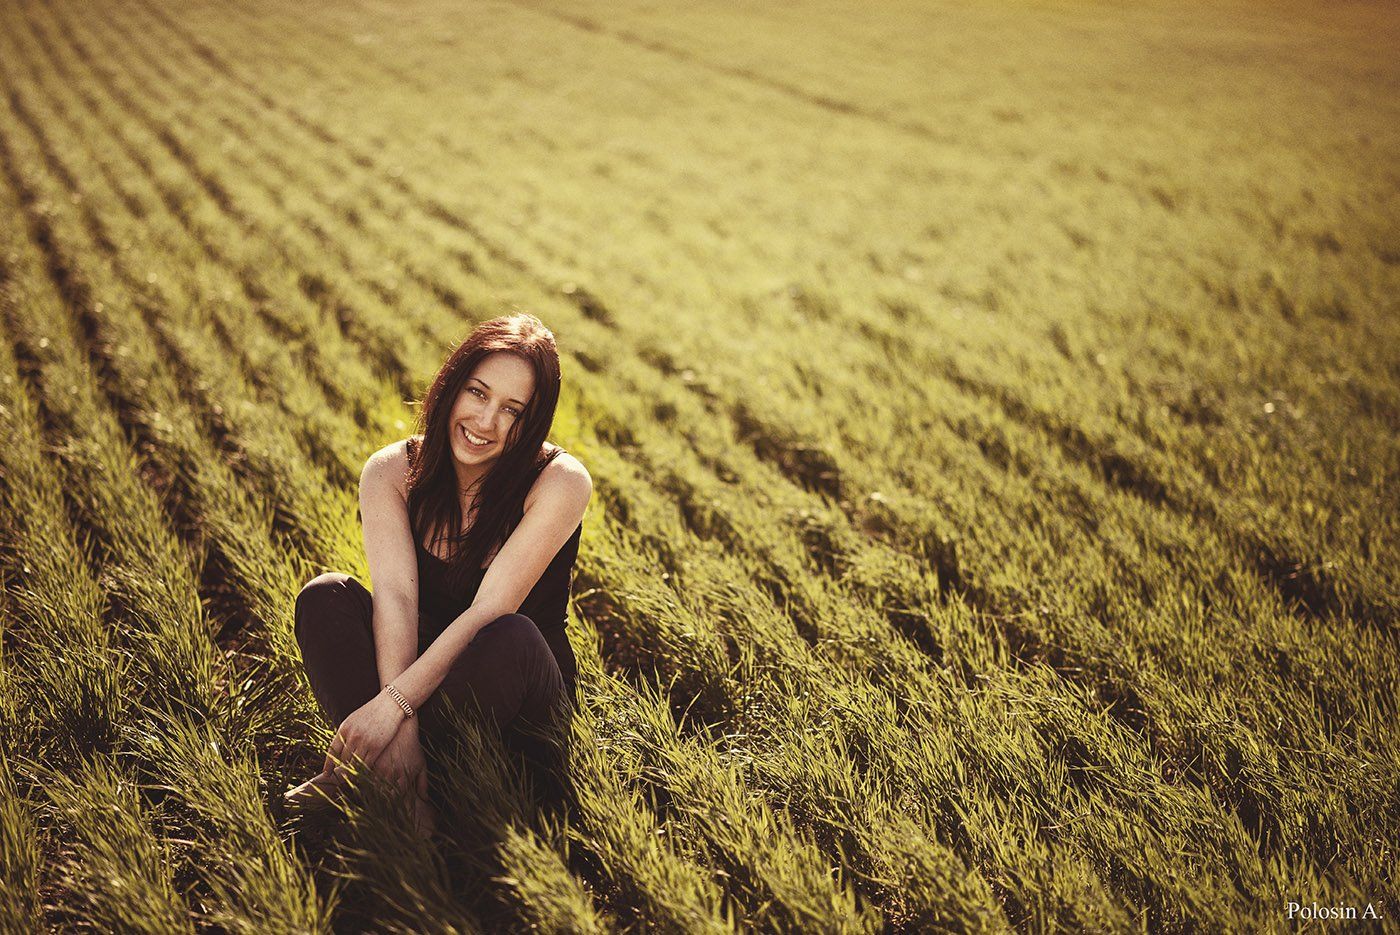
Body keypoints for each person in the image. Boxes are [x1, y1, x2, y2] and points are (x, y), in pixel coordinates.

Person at [285, 313, 592, 836]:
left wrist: (393, 708)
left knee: (511, 635)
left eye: (512, 411)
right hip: (421, 669)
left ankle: (367, 781)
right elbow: (397, 601)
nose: (486, 422)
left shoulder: (560, 482)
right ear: (451, 385)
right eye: (478, 392)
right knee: (326, 596)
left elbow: (487, 611)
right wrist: (397, 718)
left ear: (533, 422)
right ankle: (400, 783)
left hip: (510, 686)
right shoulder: (391, 471)